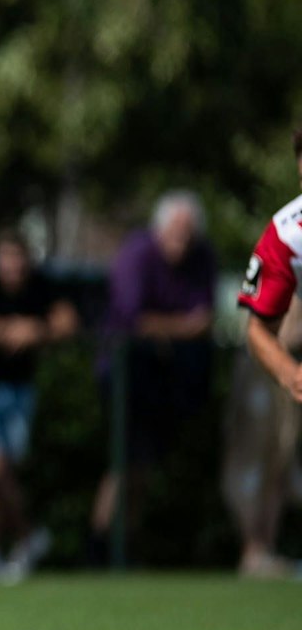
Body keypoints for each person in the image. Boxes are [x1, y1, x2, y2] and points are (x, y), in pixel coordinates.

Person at [91, 192, 216, 564]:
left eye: (188, 234)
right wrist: (182, 326)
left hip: (163, 374)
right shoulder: (136, 253)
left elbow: (205, 317)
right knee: (123, 462)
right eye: (175, 232)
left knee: (141, 467)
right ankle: (99, 549)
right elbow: (133, 318)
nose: (182, 241)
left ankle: (125, 547)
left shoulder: (202, 256)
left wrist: (167, 328)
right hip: (124, 371)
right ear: (159, 229)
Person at [0, 228, 78, 581]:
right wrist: (13, 329)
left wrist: (37, 330)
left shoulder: (40, 286)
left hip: (20, 390)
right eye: (5, 257)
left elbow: (67, 323)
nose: (12, 265)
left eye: (18, 257)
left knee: (5, 471)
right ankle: (30, 534)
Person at [230, 130, 302, 578]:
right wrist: (292, 374)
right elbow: (259, 329)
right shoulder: (286, 232)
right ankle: (256, 549)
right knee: (275, 456)